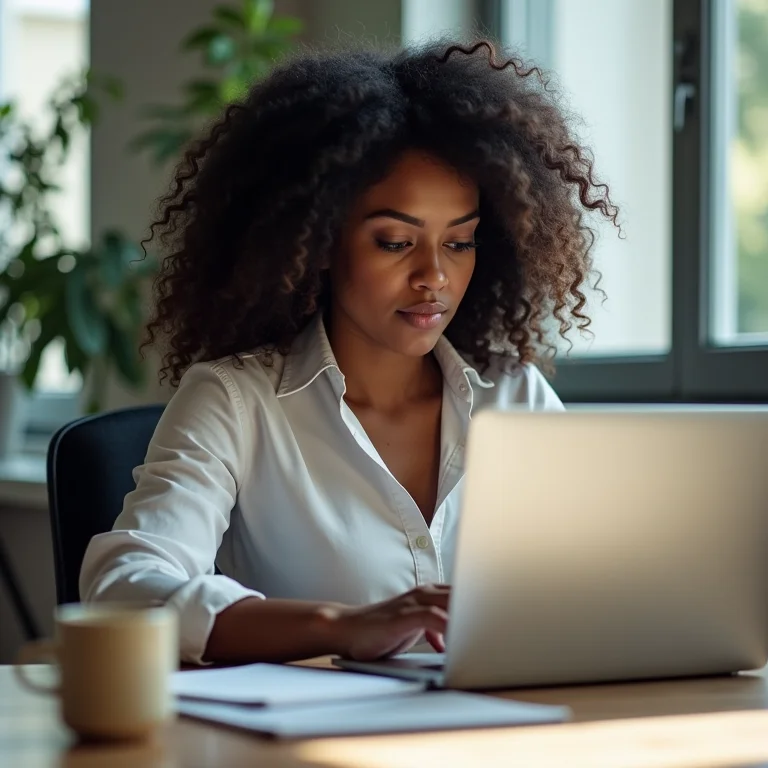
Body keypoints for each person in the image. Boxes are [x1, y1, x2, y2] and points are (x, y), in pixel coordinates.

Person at [79, 39, 619, 665]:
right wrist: (341, 626)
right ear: (320, 241)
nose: (434, 278)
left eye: (460, 243)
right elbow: (123, 590)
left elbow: (605, 582)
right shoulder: (237, 401)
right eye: (395, 242)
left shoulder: (514, 396)